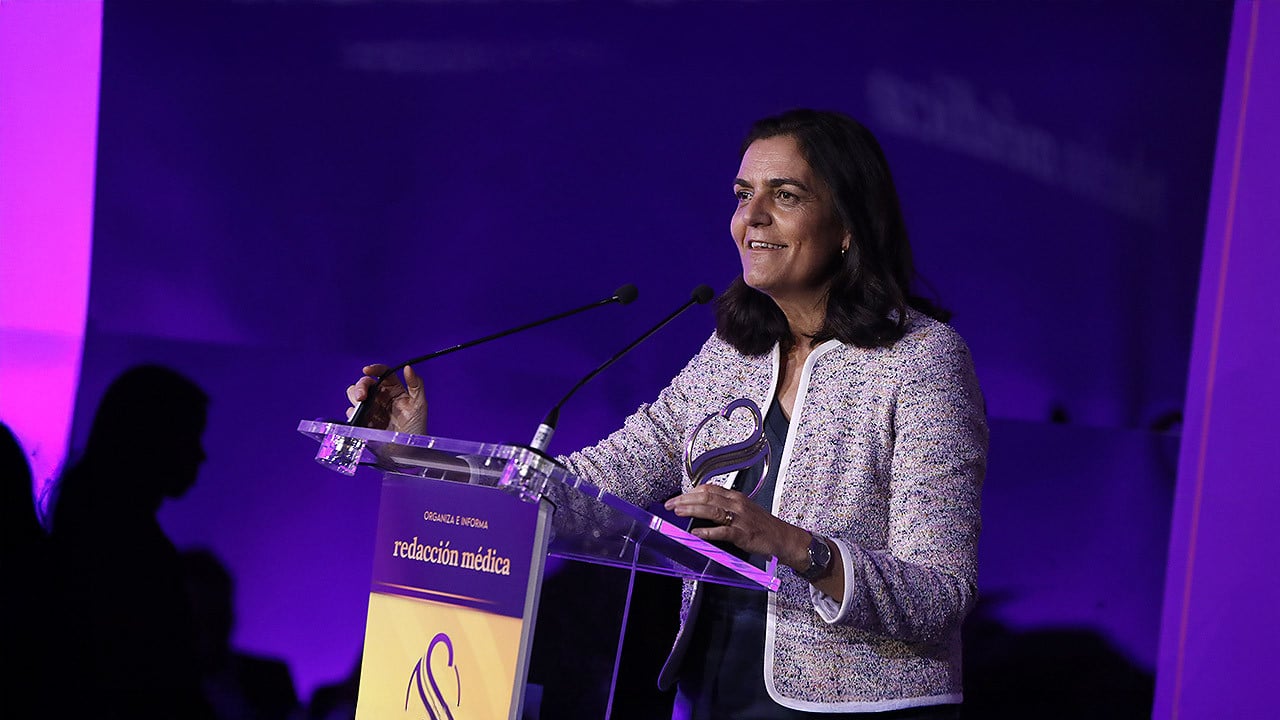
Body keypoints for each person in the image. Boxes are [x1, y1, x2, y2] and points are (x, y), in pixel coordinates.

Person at [345, 108, 987, 718]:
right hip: (714, 693)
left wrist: (787, 543)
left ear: (847, 225)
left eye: (785, 196)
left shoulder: (921, 360)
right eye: (742, 195)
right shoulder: (732, 354)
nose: (751, 218)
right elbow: (594, 489)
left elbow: (940, 593)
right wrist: (419, 456)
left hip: (862, 707)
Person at [46, 364, 217, 719]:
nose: (201, 455)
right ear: (152, 439)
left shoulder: (89, 529)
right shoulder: (133, 555)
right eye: (191, 436)